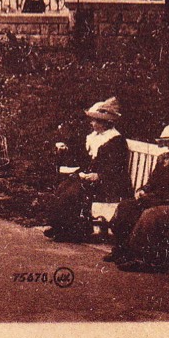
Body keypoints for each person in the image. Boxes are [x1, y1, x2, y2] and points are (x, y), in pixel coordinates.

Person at [105, 125, 169, 265]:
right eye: (168, 142)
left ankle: (142, 257)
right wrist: (143, 190)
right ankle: (122, 249)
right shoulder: (164, 158)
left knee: (149, 213)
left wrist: (156, 197)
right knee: (126, 206)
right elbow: (152, 181)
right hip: (157, 197)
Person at [42, 97, 131, 242]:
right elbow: (84, 157)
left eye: (96, 121)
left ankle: (72, 231)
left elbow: (117, 167)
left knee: (74, 192)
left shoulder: (116, 140)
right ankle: (58, 226)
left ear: (105, 123)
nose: (92, 123)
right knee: (64, 187)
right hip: (92, 177)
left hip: (110, 182)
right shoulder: (94, 137)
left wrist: (99, 175)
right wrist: (67, 149)